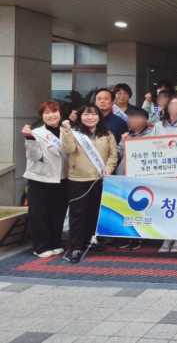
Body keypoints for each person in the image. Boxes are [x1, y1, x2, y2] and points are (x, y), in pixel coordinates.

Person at [60, 104, 118, 264]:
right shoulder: (74, 132)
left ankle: (90, 241)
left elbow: (113, 153)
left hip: (99, 179)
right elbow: (67, 148)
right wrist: (66, 130)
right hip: (77, 179)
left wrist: (108, 168)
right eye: (86, 114)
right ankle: (76, 247)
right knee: (78, 214)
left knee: (94, 212)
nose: (90, 117)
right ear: (80, 117)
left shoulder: (107, 133)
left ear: (99, 117)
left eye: (93, 114)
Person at [22, 100, 69, 258]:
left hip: (62, 179)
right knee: (39, 214)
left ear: (60, 114)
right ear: (42, 116)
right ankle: (41, 246)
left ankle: (55, 243)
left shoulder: (67, 132)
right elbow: (33, 157)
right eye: (47, 112)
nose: (51, 115)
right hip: (39, 179)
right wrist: (29, 138)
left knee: (58, 213)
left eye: (54, 111)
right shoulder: (36, 133)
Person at [153, 95, 177, 254]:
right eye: (172, 104)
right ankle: (167, 237)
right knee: (166, 205)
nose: (175, 107)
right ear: (166, 107)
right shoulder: (157, 126)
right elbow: (150, 147)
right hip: (162, 173)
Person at [114, 108, 153, 251]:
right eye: (131, 117)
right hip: (123, 175)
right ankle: (125, 235)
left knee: (139, 207)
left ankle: (137, 236)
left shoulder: (153, 135)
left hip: (142, 177)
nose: (133, 120)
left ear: (146, 120)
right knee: (123, 205)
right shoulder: (127, 135)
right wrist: (124, 142)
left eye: (137, 117)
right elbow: (117, 154)